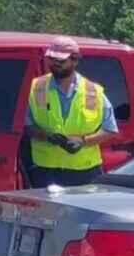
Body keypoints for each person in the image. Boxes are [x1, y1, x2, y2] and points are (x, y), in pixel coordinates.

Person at [24, 38, 117, 188]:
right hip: (45, 171)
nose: (55, 64)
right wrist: (47, 136)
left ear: (75, 60)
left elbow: (110, 130)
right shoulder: (36, 87)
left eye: (60, 61)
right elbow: (26, 126)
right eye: (52, 59)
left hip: (85, 172)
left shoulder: (93, 91)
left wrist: (83, 141)